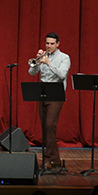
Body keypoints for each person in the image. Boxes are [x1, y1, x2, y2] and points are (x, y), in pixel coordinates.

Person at [28, 32, 71, 168]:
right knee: (45, 128)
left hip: (56, 94)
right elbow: (32, 73)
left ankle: (48, 158)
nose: (49, 46)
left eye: (52, 44)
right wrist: (37, 62)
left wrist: (48, 62)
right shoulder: (43, 56)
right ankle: (55, 159)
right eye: (47, 43)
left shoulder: (64, 57)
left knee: (50, 125)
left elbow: (62, 74)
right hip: (42, 93)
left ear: (58, 44)